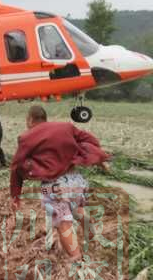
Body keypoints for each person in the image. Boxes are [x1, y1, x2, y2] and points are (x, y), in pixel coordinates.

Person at [10, 106, 110, 259]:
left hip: (53, 187)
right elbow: (90, 140)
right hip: (76, 181)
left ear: (30, 120)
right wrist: (99, 157)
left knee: (63, 223)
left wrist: (15, 197)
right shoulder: (66, 127)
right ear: (45, 118)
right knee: (78, 211)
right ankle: (92, 239)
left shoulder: (26, 137)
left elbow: (16, 167)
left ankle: (77, 260)